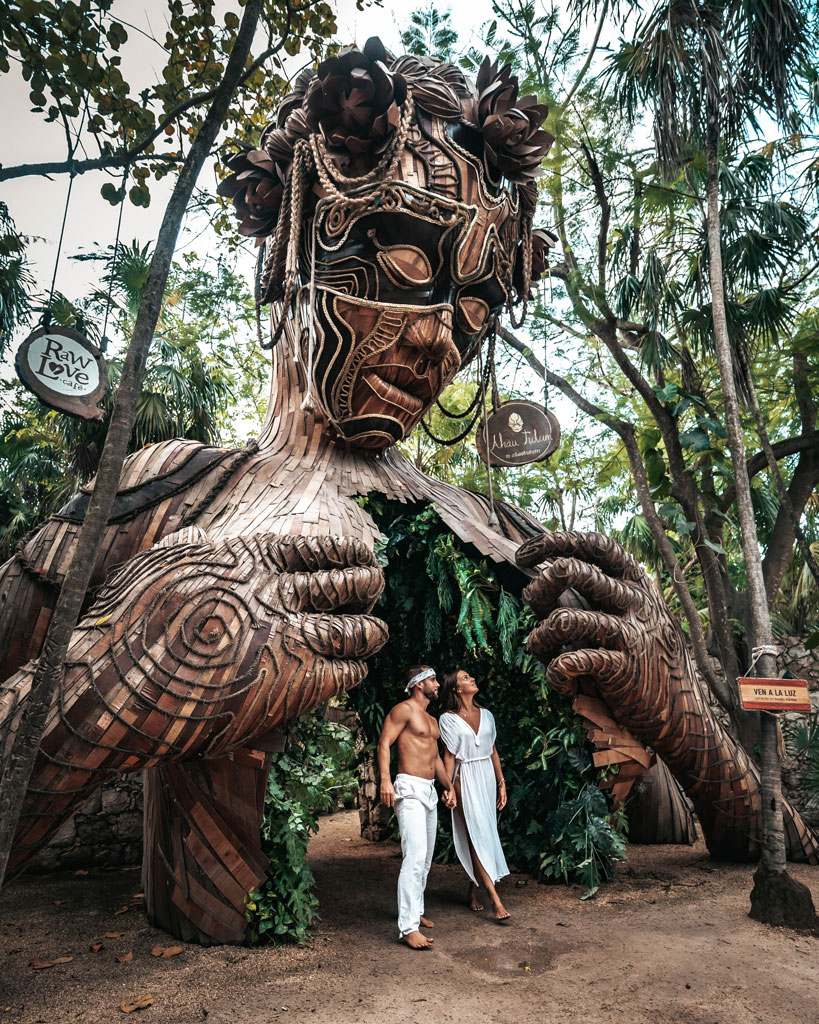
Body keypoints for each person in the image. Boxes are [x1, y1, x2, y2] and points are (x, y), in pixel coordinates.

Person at [377, 665, 457, 949]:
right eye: (433, 680)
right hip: (408, 788)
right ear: (419, 683)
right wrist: (385, 780)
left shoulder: (431, 720)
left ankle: (417, 909)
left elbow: (435, 759)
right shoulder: (403, 710)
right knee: (414, 857)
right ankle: (408, 928)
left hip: (429, 790)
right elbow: (384, 743)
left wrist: (448, 786)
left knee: (425, 860)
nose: (438, 684)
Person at [438, 669, 511, 922]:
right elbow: (449, 756)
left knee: (484, 834)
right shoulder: (447, 719)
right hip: (464, 778)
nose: (472, 679)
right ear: (456, 689)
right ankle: (494, 899)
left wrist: (501, 783)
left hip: (487, 777)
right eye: (465, 678)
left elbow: (493, 751)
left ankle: (472, 889)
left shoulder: (487, 715)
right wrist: (448, 787)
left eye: (471, 676)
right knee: (475, 834)